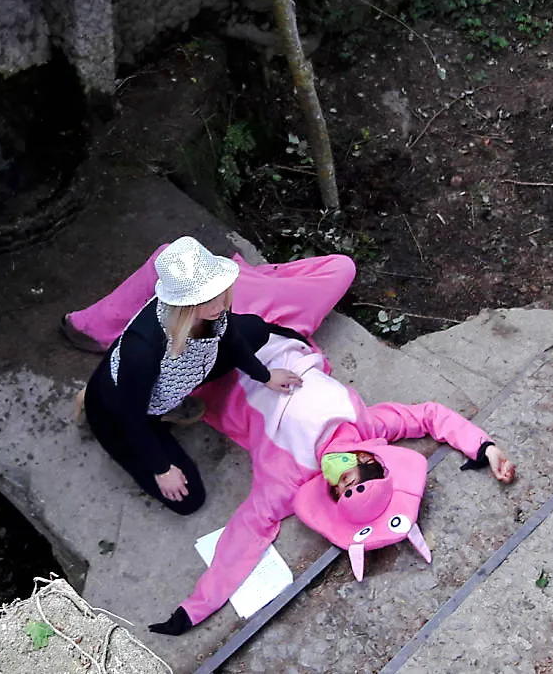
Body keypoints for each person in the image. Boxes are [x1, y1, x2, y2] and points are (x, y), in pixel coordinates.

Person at [66, 243, 514, 637]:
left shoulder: (290, 474)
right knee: (334, 273)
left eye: (345, 486)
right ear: (376, 459)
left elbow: (248, 534)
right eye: (366, 471)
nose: (349, 471)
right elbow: (428, 417)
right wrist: (485, 448)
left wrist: (194, 609)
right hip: (258, 337)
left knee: (189, 495)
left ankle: (133, 388)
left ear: (330, 490)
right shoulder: (368, 424)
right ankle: (145, 316)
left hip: (222, 362)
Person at [78, 236, 316, 515]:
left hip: (180, 375)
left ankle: (174, 406)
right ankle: (102, 409)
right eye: (205, 299)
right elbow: (131, 416)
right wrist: (162, 468)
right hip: (121, 414)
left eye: (218, 292)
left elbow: (230, 338)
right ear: (182, 303)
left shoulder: (212, 312)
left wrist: (264, 376)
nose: (218, 304)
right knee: (189, 498)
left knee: (256, 329)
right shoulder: (141, 348)